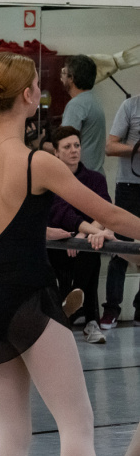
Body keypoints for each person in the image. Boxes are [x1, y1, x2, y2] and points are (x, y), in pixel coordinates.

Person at [0, 51, 140, 456]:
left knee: (11, 438)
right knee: (76, 427)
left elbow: (4, 224)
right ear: (29, 96)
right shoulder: (37, 163)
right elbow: (110, 215)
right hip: (29, 300)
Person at [47, 126, 111, 344]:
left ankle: (81, 309)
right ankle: (82, 316)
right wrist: (80, 234)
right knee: (92, 246)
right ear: (56, 152)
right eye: (67, 147)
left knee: (93, 249)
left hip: (85, 242)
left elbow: (104, 211)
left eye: (77, 145)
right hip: (57, 243)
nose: (74, 150)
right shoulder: (49, 181)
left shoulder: (95, 179)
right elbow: (61, 213)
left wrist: (84, 236)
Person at [100, 92, 140, 329]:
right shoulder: (130, 106)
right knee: (120, 245)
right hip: (129, 184)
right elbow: (110, 147)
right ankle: (112, 309)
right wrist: (136, 149)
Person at [54, 55, 106, 174]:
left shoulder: (77, 105)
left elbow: (65, 145)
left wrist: (39, 143)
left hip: (83, 178)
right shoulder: (93, 100)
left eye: (63, 72)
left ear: (71, 78)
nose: (61, 76)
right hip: (95, 175)